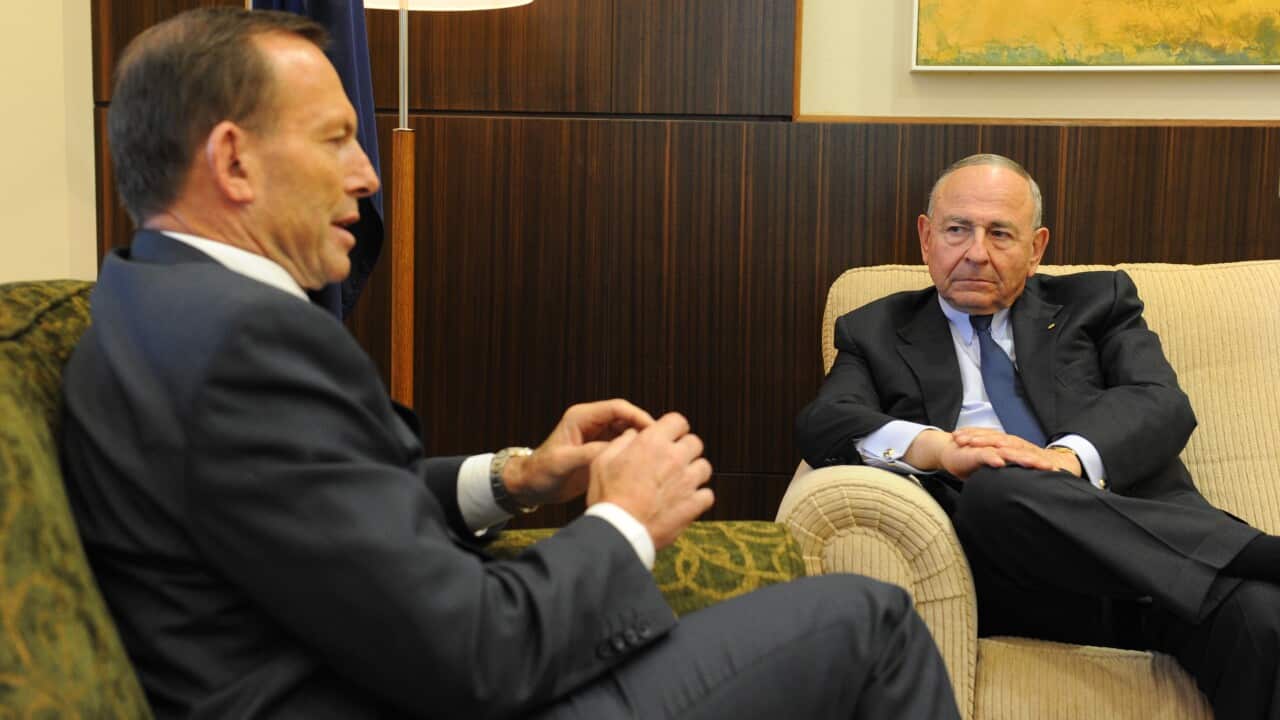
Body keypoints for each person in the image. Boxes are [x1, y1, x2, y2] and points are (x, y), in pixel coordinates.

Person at [60, 8, 959, 719]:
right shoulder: (246, 343)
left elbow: (313, 513)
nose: (368, 175)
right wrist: (625, 524)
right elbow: (476, 653)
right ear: (234, 161)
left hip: (369, 666)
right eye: (336, 138)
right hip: (403, 694)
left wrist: (516, 479)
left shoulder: (150, 300)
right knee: (868, 621)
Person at [797, 152, 1280, 718]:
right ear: (927, 238)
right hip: (1014, 572)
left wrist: (1066, 460)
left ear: (1037, 248)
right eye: (958, 230)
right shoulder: (875, 328)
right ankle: (1258, 553)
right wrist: (940, 449)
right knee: (996, 488)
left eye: (1000, 233)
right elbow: (825, 422)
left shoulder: (1098, 304)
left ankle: (1249, 571)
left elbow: (1160, 403)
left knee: (1263, 615)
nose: (976, 252)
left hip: (1148, 575)